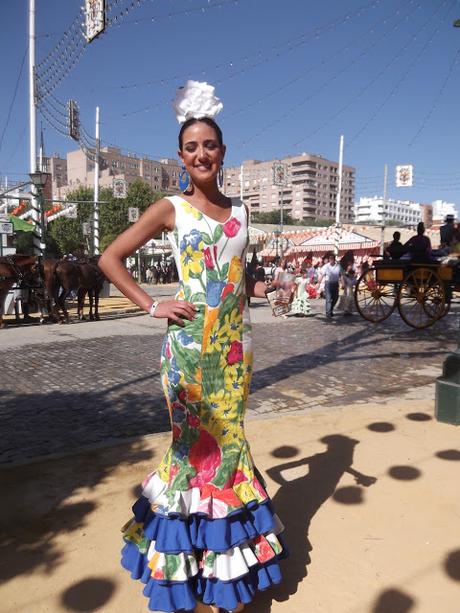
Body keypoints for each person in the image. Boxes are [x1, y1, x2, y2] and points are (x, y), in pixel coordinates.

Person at [99, 97, 286, 613]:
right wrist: (151, 304)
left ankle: (223, 572)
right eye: (190, 147)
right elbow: (109, 257)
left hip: (234, 350)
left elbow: (239, 282)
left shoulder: (244, 212)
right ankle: (185, 576)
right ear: (180, 157)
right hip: (185, 349)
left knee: (229, 447)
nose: (200, 154)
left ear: (222, 152)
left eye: (209, 145)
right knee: (191, 452)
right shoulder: (169, 208)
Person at [319, 252, 343, 319]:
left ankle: (330, 309)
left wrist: (343, 283)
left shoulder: (338, 266)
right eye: (330, 258)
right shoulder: (326, 266)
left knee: (336, 298)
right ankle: (328, 313)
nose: (331, 260)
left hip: (335, 283)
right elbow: (322, 274)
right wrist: (318, 283)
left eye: (332, 258)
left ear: (334, 259)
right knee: (328, 299)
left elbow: (341, 275)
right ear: (329, 259)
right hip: (328, 284)